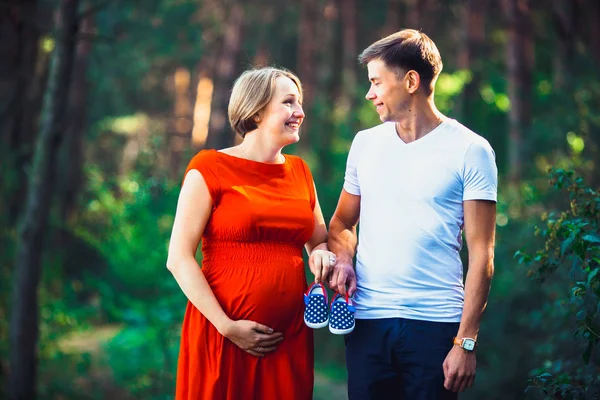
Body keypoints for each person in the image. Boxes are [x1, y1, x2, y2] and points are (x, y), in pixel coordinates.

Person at [325, 29, 498, 399]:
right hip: (368, 323)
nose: (369, 94)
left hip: (436, 327)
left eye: (376, 82)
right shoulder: (365, 144)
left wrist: (465, 341)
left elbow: (482, 253)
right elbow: (340, 223)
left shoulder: (471, 150)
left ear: (411, 81)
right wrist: (343, 259)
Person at [166, 67, 336, 400]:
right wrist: (227, 326)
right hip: (223, 333)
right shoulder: (209, 167)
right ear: (256, 111)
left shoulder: (300, 171)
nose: (299, 112)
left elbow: (318, 242)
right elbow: (179, 259)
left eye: (299, 102)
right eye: (288, 103)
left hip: (289, 338)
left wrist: (321, 255)